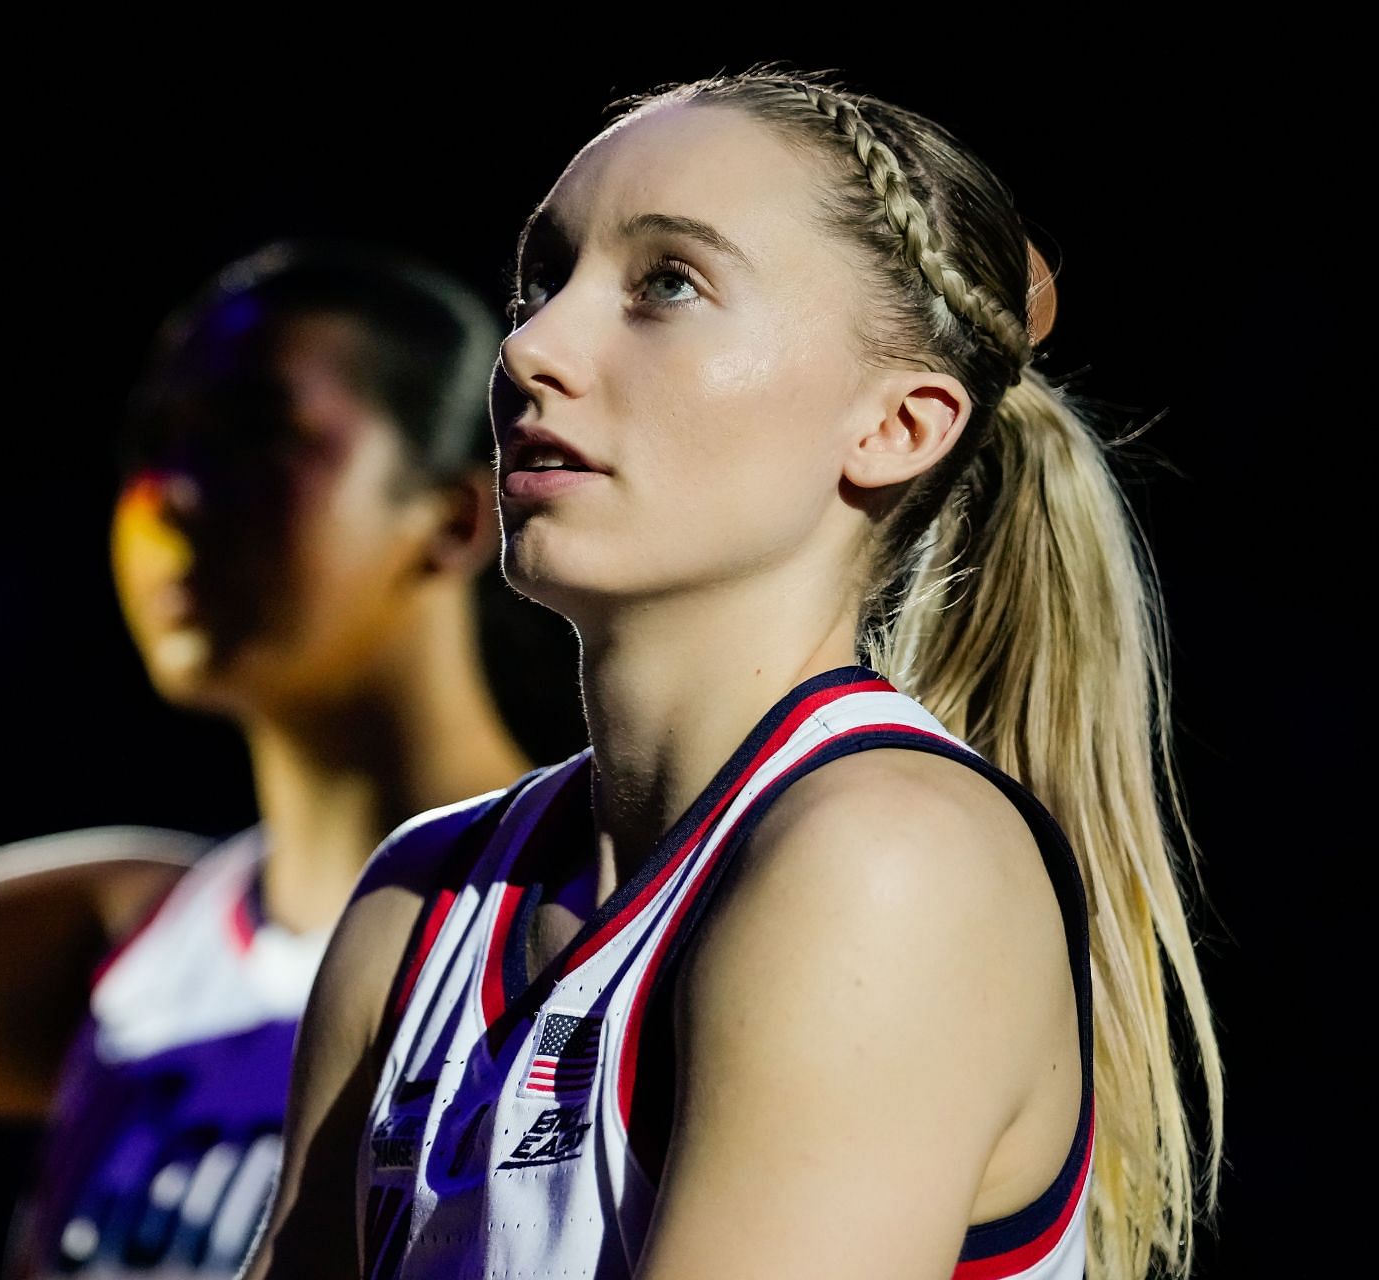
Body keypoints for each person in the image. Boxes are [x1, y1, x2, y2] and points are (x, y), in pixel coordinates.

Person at [245, 70, 1223, 1280]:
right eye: (540, 281)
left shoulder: (890, 856)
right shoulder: (419, 898)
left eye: (669, 283)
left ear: (896, 426)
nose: (531, 348)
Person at [0, 242, 548, 1277]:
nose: (172, 492)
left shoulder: (599, 916)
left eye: (254, 432)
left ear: (454, 516)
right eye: (156, 439)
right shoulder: (139, 942)